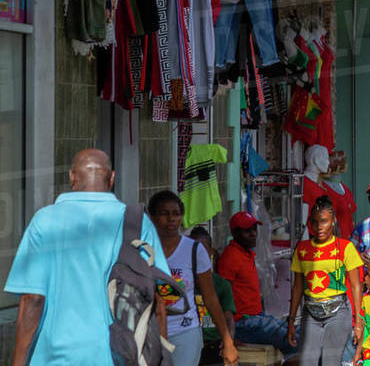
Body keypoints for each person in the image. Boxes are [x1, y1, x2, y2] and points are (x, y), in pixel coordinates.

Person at [5, 148, 172, 366]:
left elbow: (33, 300)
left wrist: (18, 361)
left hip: (53, 356)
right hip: (119, 353)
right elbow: (156, 300)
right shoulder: (136, 222)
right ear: (112, 178)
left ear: (72, 177)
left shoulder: (44, 221)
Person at [147, 191, 238, 366]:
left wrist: (227, 341)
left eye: (176, 214)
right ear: (151, 217)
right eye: (164, 214)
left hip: (186, 333)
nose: (171, 219)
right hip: (150, 333)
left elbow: (211, 299)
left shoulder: (194, 250)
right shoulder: (143, 249)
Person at [288, 195, 365, 363]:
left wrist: (359, 323)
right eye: (314, 222)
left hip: (338, 312)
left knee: (330, 362)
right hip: (310, 313)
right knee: (306, 361)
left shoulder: (346, 248)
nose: (318, 227)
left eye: (324, 221)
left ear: (334, 221)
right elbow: (298, 288)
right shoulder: (302, 249)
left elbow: (356, 286)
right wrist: (292, 321)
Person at [217, 210, 294, 351]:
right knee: (295, 339)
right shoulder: (231, 257)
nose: (253, 234)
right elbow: (222, 294)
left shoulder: (246, 253)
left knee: (300, 332)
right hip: (243, 323)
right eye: (247, 231)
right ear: (235, 233)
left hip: (257, 317)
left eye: (254, 229)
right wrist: (229, 333)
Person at [189, 226, 237, 360]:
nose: (197, 253)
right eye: (193, 248)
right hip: (190, 343)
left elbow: (229, 318)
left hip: (214, 345)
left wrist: (229, 342)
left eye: (202, 248)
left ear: (210, 251)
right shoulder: (183, 282)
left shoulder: (221, 284)